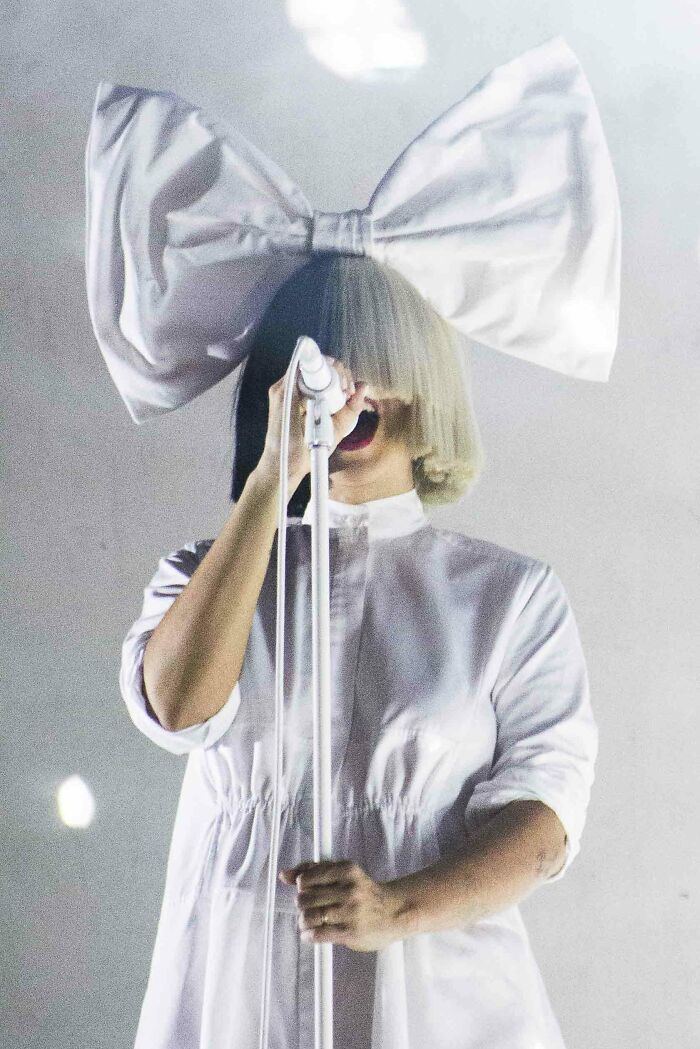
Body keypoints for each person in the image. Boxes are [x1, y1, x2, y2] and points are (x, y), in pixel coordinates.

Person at [120, 253, 598, 1049]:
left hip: (441, 999)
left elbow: (544, 820)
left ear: (425, 377)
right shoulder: (201, 575)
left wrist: (395, 908)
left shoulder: (511, 596)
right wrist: (276, 475)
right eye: (320, 362)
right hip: (238, 994)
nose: (349, 385)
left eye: (376, 357)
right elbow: (178, 710)